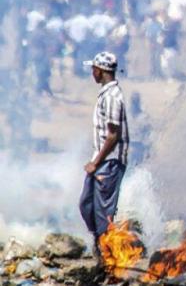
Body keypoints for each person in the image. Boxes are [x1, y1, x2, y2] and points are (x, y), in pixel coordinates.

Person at [78, 51, 130, 266]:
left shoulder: (112, 98)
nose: (92, 72)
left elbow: (113, 136)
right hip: (102, 161)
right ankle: (101, 247)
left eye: (94, 69)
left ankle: (109, 261)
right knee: (86, 204)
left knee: (103, 215)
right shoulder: (106, 94)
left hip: (108, 163)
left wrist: (95, 162)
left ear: (99, 71)